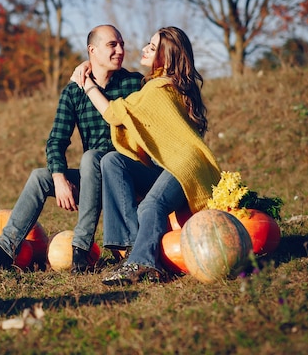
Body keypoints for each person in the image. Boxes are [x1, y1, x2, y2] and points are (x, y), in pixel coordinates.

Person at [0, 25, 143, 276]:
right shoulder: (74, 91)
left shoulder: (134, 84)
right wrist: (59, 178)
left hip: (127, 179)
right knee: (41, 177)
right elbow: (56, 141)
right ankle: (3, 251)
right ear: (92, 50)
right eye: (112, 45)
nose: (121, 50)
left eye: (122, 44)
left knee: (92, 157)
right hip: (93, 180)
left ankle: (81, 248)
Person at [70, 26, 221, 285]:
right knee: (112, 160)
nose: (144, 49)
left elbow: (114, 113)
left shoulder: (158, 89)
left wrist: (87, 84)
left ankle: (145, 264)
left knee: (152, 205)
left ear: (166, 57)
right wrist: (92, 62)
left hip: (185, 167)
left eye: (152, 47)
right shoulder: (164, 85)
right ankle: (130, 248)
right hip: (169, 165)